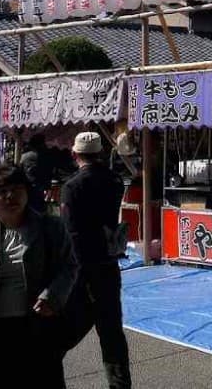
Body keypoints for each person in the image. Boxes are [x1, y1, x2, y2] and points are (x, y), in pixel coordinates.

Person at [0, 165, 78, 389]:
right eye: (2, 190)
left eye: (17, 189)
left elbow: (69, 266)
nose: (10, 196)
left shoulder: (50, 227)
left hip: (37, 329)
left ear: (27, 192)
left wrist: (53, 296)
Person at [61, 131, 132, 389]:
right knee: (111, 331)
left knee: (66, 329)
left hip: (83, 264)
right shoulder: (114, 181)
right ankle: (120, 384)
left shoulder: (72, 187)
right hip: (108, 261)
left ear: (75, 154)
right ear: (100, 152)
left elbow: (72, 232)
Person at [21, 133, 54, 213]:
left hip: (27, 187)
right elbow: (48, 173)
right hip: (40, 187)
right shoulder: (45, 156)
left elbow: (21, 170)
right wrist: (48, 187)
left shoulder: (24, 156)